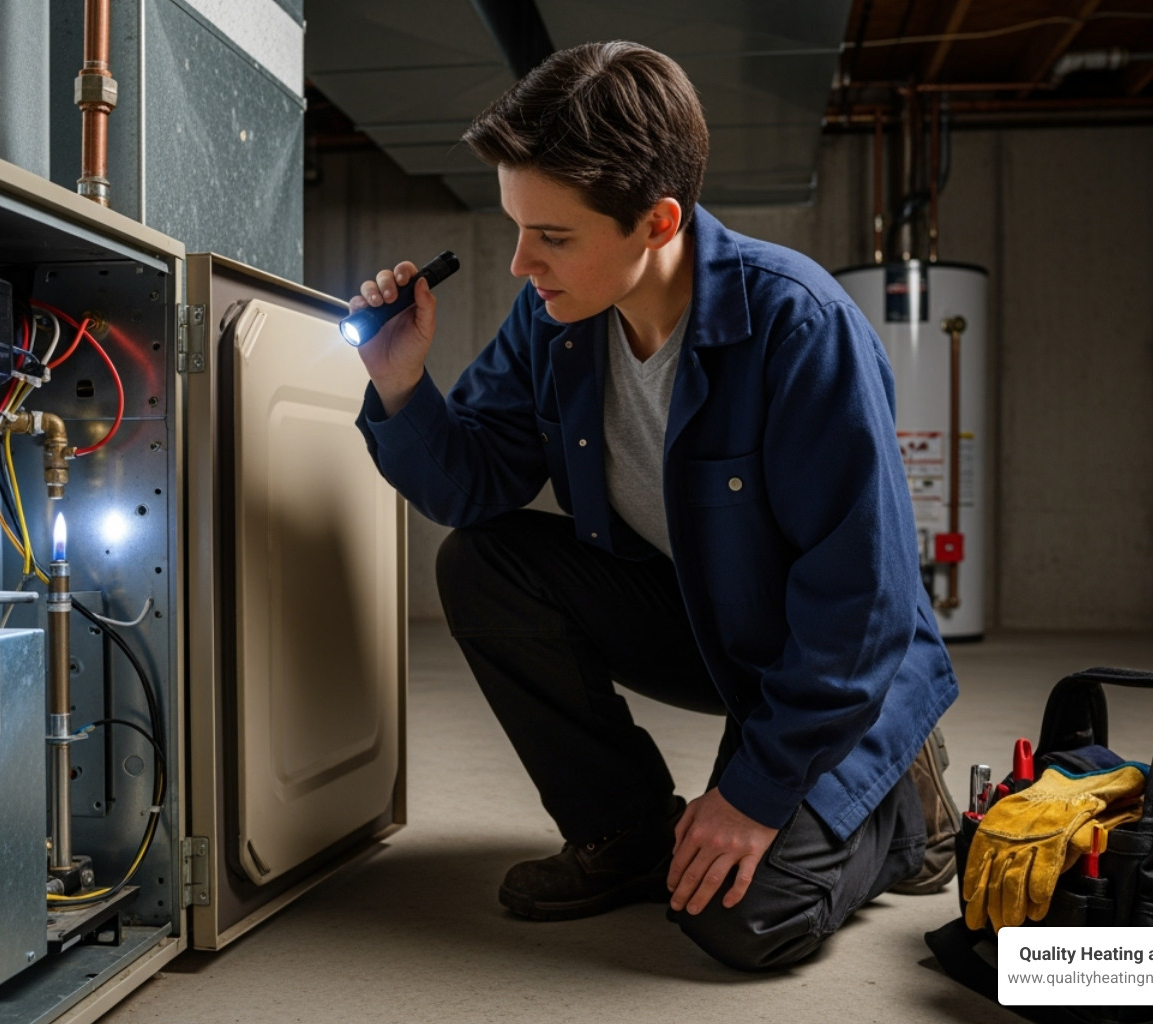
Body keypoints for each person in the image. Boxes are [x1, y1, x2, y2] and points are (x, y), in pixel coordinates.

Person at [349, 40, 960, 971]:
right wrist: (400, 386)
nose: (520, 264)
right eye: (518, 228)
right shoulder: (554, 321)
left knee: (742, 922)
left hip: (834, 661)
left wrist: (754, 795)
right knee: (484, 563)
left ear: (657, 221)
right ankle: (627, 831)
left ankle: (908, 813)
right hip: (701, 619)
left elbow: (860, 609)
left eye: (552, 237)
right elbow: (471, 488)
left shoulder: (800, 327)